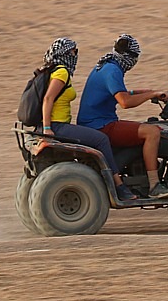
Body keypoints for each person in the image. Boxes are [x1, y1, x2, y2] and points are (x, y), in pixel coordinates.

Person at [76, 34, 168, 199]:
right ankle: (155, 186)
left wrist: (150, 92)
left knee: (142, 128)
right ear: (130, 56)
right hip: (101, 125)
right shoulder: (113, 70)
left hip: (95, 122)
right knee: (152, 132)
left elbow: (121, 92)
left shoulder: (105, 65)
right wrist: (149, 95)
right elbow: (125, 102)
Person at [38, 37, 137, 201]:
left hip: (55, 125)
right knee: (102, 140)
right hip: (57, 126)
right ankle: (119, 186)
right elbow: (48, 99)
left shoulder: (52, 70)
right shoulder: (62, 72)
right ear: (64, 53)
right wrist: (48, 129)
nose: (76, 55)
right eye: (73, 51)